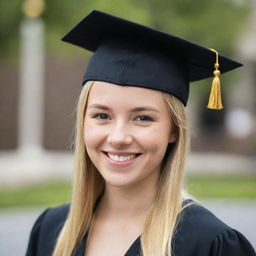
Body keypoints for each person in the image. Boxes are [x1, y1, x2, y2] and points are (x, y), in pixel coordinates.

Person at [25, 10, 256, 256]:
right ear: (83, 122)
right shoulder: (51, 231)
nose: (118, 137)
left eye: (142, 118)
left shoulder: (211, 244)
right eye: (102, 116)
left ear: (174, 130)